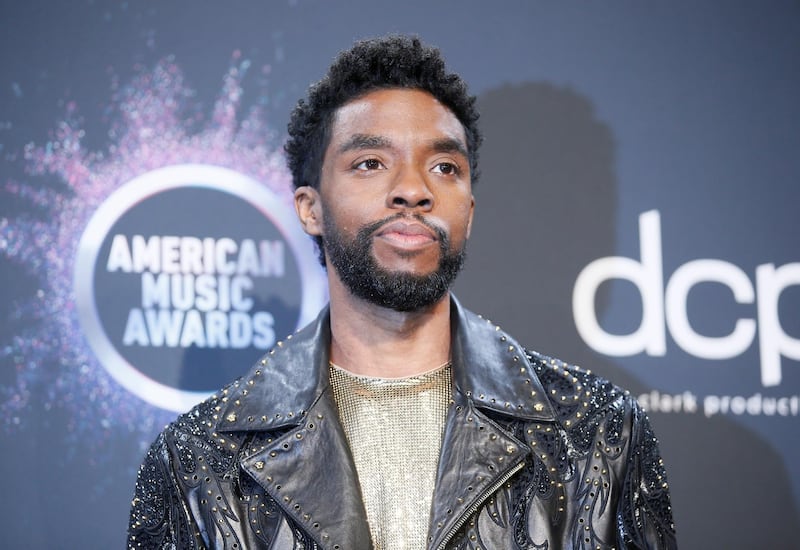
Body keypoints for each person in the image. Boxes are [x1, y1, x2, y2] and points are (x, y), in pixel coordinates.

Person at [127, 35, 677, 549]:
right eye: (370, 163)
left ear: (469, 210)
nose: (413, 189)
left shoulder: (596, 430)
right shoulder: (198, 459)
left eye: (444, 167)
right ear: (309, 208)